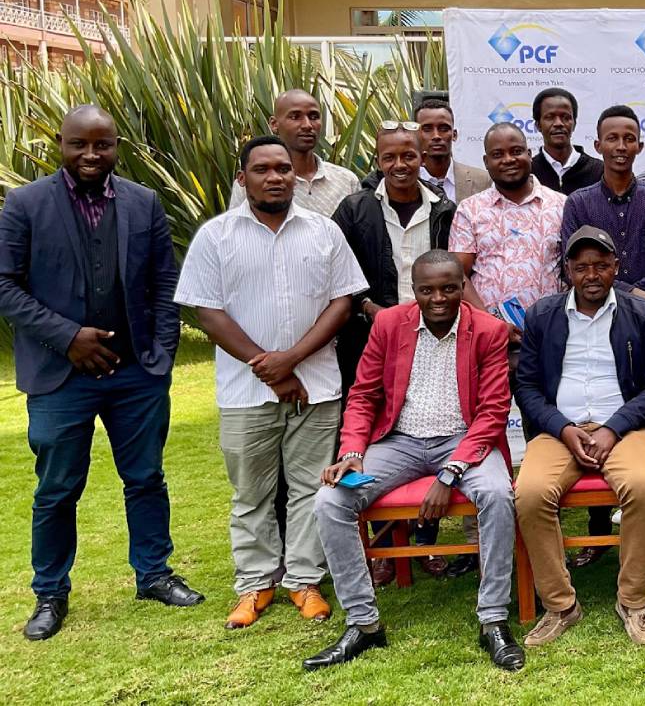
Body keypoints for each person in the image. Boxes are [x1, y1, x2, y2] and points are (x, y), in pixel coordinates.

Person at [0, 105, 204, 641]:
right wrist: (67, 338)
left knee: (144, 478)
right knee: (57, 488)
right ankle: (50, 592)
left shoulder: (143, 202)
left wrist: (161, 351)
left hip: (136, 374)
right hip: (59, 376)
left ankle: (154, 574)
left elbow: (164, 279)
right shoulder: (25, 204)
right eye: (79, 145)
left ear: (117, 146)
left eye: (103, 145)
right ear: (60, 145)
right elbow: (5, 285)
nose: (91, 155)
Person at [175, 135, 368, 629]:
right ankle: (255, 583)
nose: (275, 176)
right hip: (245, 390)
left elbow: (343, 303)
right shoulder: (216, 236)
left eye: (282, 168)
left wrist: (293, 360)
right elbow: (206, 311)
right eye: (262, 169)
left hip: (317, 383)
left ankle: (304, 581)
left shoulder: (323, 231)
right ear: (243, 178)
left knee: (309, 488)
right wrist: (269, 367)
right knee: (251, 492)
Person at [304, 251, 523, 671]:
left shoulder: (489, 331)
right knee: (330, 501)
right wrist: (352, 453)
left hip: (465, 443)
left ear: (463, 287)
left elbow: (493, 412)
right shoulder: (389, 324)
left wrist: (451, 472)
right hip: (399, 442)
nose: (438, 298)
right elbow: (364, 395)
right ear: (414, 291)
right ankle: (364, 624)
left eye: (448, 288)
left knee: (497, 493)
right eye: (427, 290)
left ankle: (493, 619)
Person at [514, 226, 645, 647]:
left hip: (624, 427)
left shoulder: (642, 314)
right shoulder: (542, 315)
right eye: (581, 267)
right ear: (568, 271)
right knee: (529, 493)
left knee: (641, 487)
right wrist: (563, 429)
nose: (592, 275)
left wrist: (612, 428)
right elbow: (526, 386)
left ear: (616, 266)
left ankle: (633, 601)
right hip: (560, 429)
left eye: (601, 265)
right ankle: (561, 604)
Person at [560, 105, 645, 564]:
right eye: (611, 138)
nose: (620, 146)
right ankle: (599, 530)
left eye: (629, 138)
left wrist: (640, 299)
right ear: (597, 146)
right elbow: (571, 265)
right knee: (595, 418)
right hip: (593, 327)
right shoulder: (578, 203)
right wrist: (635, 291)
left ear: (641, 145)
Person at [332, 123, 464, 585]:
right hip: (376, 335)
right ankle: (388, 547)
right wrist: (374, 312)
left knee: (429, 426)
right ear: (378, 159)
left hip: (437, 334)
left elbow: (455, 272)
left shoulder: (445, 209)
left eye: (409, 155)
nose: (401, 165)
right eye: (390, 157)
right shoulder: (355, 209)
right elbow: (341, 273)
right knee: (384, 435)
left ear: (422, 155)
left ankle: (424, 541)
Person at [451, 122, 567, 351]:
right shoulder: (470, 210)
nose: (508, 160)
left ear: (530, 154)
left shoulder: (561, 205)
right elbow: (457, 275)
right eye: (497, 154)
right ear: (486, 162)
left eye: (516, 151)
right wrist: (492, 325)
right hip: (488, 339)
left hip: (551, 335)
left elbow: (573, 270)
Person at [227, 89, 359, 216]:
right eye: (295, 117)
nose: (307, 125)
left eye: (314, 117)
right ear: (274, 124)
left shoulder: (346, 181)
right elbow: (236, 232)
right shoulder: (250, 184)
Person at [415, 97, 493, 203]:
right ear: (415, 135)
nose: (436, 136)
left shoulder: (482, 180)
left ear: (454, 135)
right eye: (427, 129)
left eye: (444, 129)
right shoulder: (406, 181)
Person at [530, 87, 604, 195]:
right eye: (550, 117)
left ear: (574, 124)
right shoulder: (528, 173)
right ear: (538, 125)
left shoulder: (599, 171)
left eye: (566, 117)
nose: (558, 123)